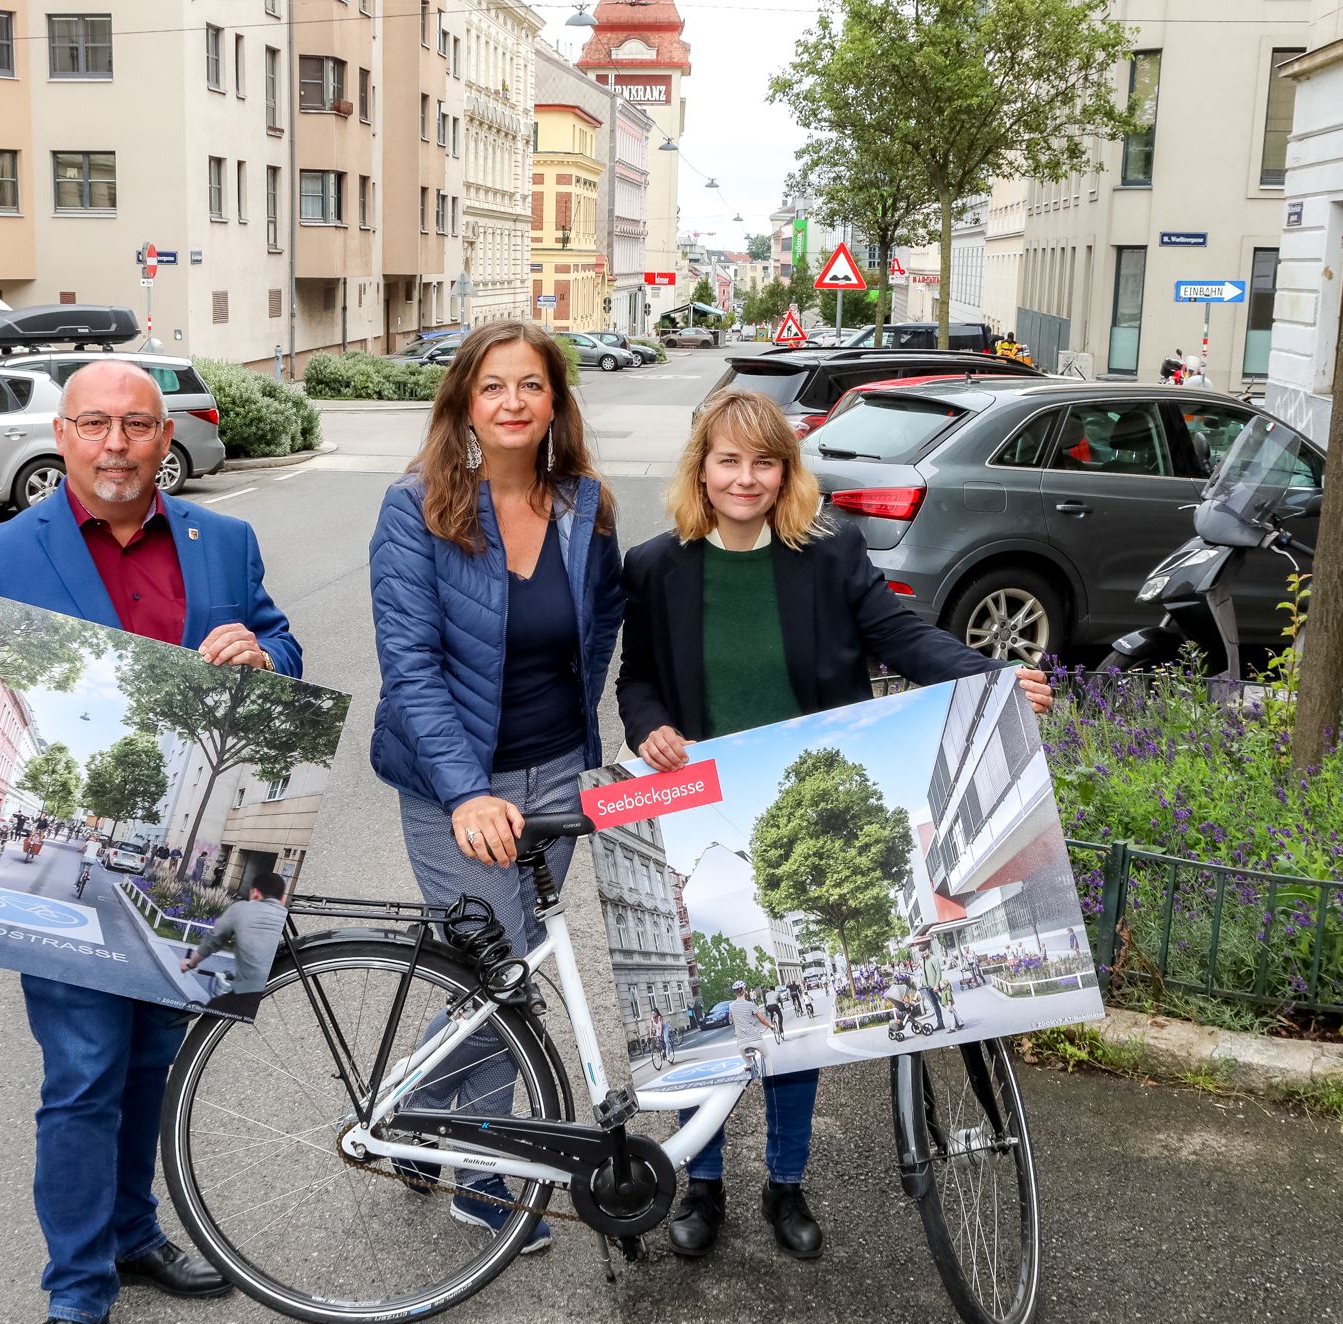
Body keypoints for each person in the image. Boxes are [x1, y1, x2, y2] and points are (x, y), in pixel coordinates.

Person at [617, 386, 1053, 1262]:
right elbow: (640, 676)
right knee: (697, 1003)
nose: (746, 477)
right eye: (728, 460)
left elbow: (899, 634)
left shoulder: (828, 553)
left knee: (795, 1011)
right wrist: (648, 725)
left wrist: (987, 679)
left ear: (787, 471)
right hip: (701, 799)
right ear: (702, 467)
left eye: (764, 461)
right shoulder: (657, 564)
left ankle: (786, 1182)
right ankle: (700, 1187)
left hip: (803, 802)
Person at [0, 359, 300, 1324]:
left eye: (138, 426)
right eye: (96, 424)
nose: (117, 444)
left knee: (152, 1055)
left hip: (189, 854)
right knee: (82, 1070)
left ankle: (134, 1232)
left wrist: (265, 656)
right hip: (59, 859)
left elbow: (281, 645)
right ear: (61, 435)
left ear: (167, 438)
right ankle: (77, 1295)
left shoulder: (223, 543)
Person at [367, 317, 623, 1252]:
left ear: (555, 400)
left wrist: (589, 748)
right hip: (453, 786)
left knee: (498, 970)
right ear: (464, 404)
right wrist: (469, 789)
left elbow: (595, 637)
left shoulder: (584, 503)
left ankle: (414, 1108)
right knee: (503, 974)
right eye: (492, 387)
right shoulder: (416, 508)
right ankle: (488, 1180)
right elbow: (411, 666)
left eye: (530, 385)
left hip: (554, 770)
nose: (512, 402)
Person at [179, 871, 288, 1019]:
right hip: (281, 989)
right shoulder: (284, 914)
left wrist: (191, 963)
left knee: (211, 1012)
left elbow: (212, 940)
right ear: (282, 899)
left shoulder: (240, 908)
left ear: (255, 893)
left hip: (248, 992)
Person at [918, 948, 956, 1033]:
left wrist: (936, 985)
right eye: (922, 953)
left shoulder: (933, 959)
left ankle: (957, 1021)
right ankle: (940, 1023)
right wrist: (922, 984)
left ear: (927, 950)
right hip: (927, 987)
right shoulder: (923, 960)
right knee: (935, 1006)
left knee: (944, 1003)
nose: (924, 954)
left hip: (935, 987)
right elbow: (923, 974)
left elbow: (938, 973)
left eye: (924, 952)